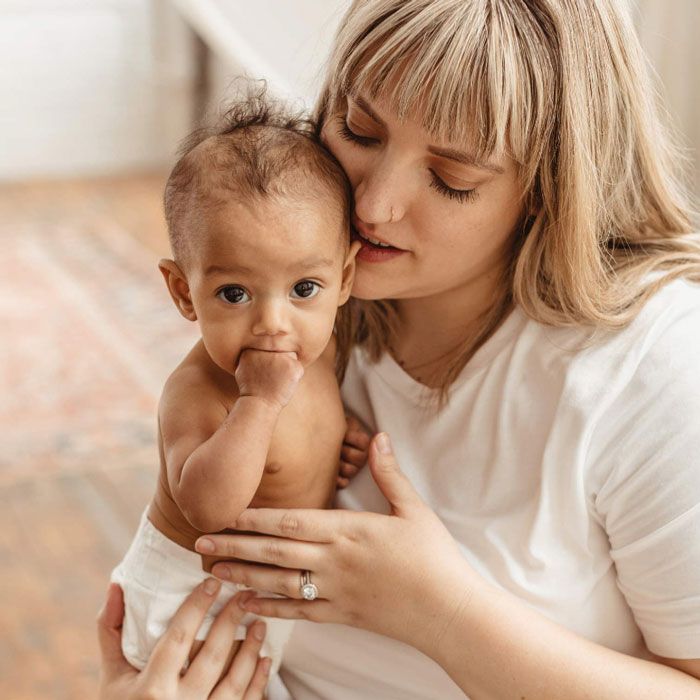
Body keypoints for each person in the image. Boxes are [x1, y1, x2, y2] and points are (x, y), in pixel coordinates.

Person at [99, 0, 700, 697]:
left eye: (452, 179)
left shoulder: (654, 369)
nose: (373, 204)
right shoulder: (300, 304)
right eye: (359, 130)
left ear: (547, 186)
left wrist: (440, 613)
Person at [107, 93, 366, 687]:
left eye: (304, 287)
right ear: (181, 292)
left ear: (344, 278)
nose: (274, 322)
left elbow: (301, 439)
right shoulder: (200, 391)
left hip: (255, 598)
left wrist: (337, 446)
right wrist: (259, 403)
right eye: (234, 294)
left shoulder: (313, 354)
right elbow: (208, 508)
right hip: (184, 598)